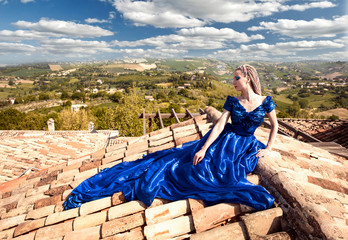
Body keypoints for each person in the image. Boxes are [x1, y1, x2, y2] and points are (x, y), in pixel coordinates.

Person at [64, 64, 278, 211]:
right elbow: (220, 125)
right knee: (188, 167)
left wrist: (268, 148)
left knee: (225, 176)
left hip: (246, 144)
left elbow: (275, 126)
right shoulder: (233, 101)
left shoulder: (266, 101)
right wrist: (203, 149)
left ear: (248, 78)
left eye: (236, 78)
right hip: (226, 141)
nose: (233, 81)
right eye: (233, 78)